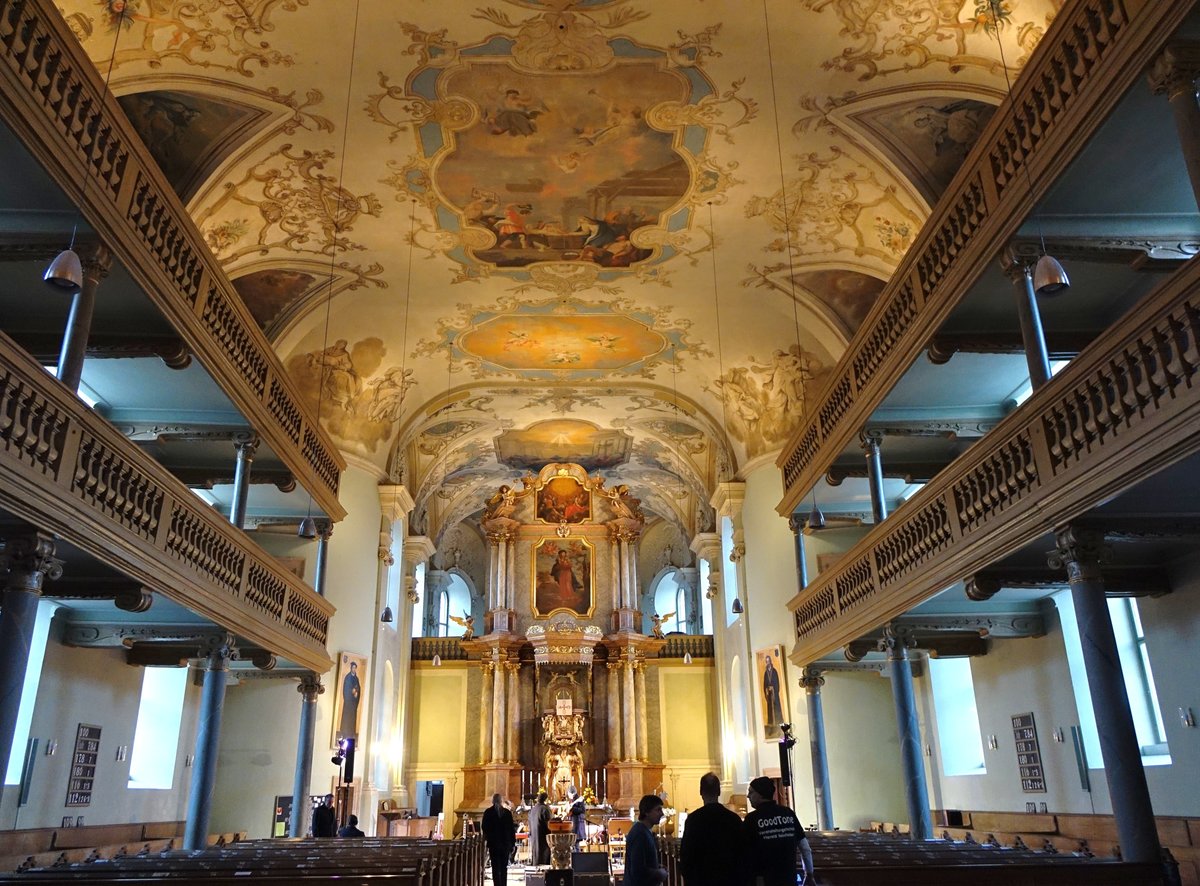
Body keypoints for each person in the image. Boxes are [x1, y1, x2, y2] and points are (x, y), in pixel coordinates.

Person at [743, 776, 814, 886]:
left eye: (751, 792)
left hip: (765, 881)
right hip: (789, 879)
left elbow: (747, 854)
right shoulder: (788, 813)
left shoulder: (752, 819)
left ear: (760, 794)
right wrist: (809, 873)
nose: (748, 796)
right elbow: (805, 847)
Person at [680, 772, 743, 886]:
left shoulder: (693, 820)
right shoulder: (733, 819)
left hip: (701, 879)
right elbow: (742, 853)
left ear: (700, 792)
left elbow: (686, 854)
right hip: (729, 878)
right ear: (719, 791)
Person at [624, 793, 669, 886]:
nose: (662, 813)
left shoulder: (643, 831)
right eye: (658, 810)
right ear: (646, 812)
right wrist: (659, 873)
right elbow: (637, 870)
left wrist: (657, 867)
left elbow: (644, 861)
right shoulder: (640, 833)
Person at [481, 793, 516, 884]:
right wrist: (512, 843)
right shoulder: (507, 813)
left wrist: (489, 837)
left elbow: (484, 827)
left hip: (493, 844)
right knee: (504, 867)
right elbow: (512, 829)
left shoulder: (488, 812)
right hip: (505, 844)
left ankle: (496, 884)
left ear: (493, 801)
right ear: (501, 801)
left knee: (495, 867)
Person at [339, 660, 361, 741]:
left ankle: (351, 733)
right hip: (348, 702)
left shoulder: (356, 678)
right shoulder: (348, 677)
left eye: (355, 668)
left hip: (353, 703)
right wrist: (351, 692)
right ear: (351, 668)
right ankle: (345, 733)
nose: (354, 669)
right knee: (347, 717)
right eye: (353, 668)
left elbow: (358, 688)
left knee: (352, 718)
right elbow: (346, 689)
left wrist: (356, 693)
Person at [528, 790, 550, 865]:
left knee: (536, 852)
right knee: (543, 854)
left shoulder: (533, 809)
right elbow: (549, 822)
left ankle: (536, 870)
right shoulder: (545, 809)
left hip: (534, 835)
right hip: (543, 834)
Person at [761, 655, 783, 728]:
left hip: (774, 693)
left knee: (776, 707)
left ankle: (778, 722)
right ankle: (771, 724)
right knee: (770, 709)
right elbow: (765, 684)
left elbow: (777, 682)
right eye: (766, 661)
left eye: (768, 661)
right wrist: (767, 689)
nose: (768, 663)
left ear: (771, 661)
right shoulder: (765, 673)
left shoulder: (774, 671)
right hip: (769, 694)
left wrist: (774, 689)